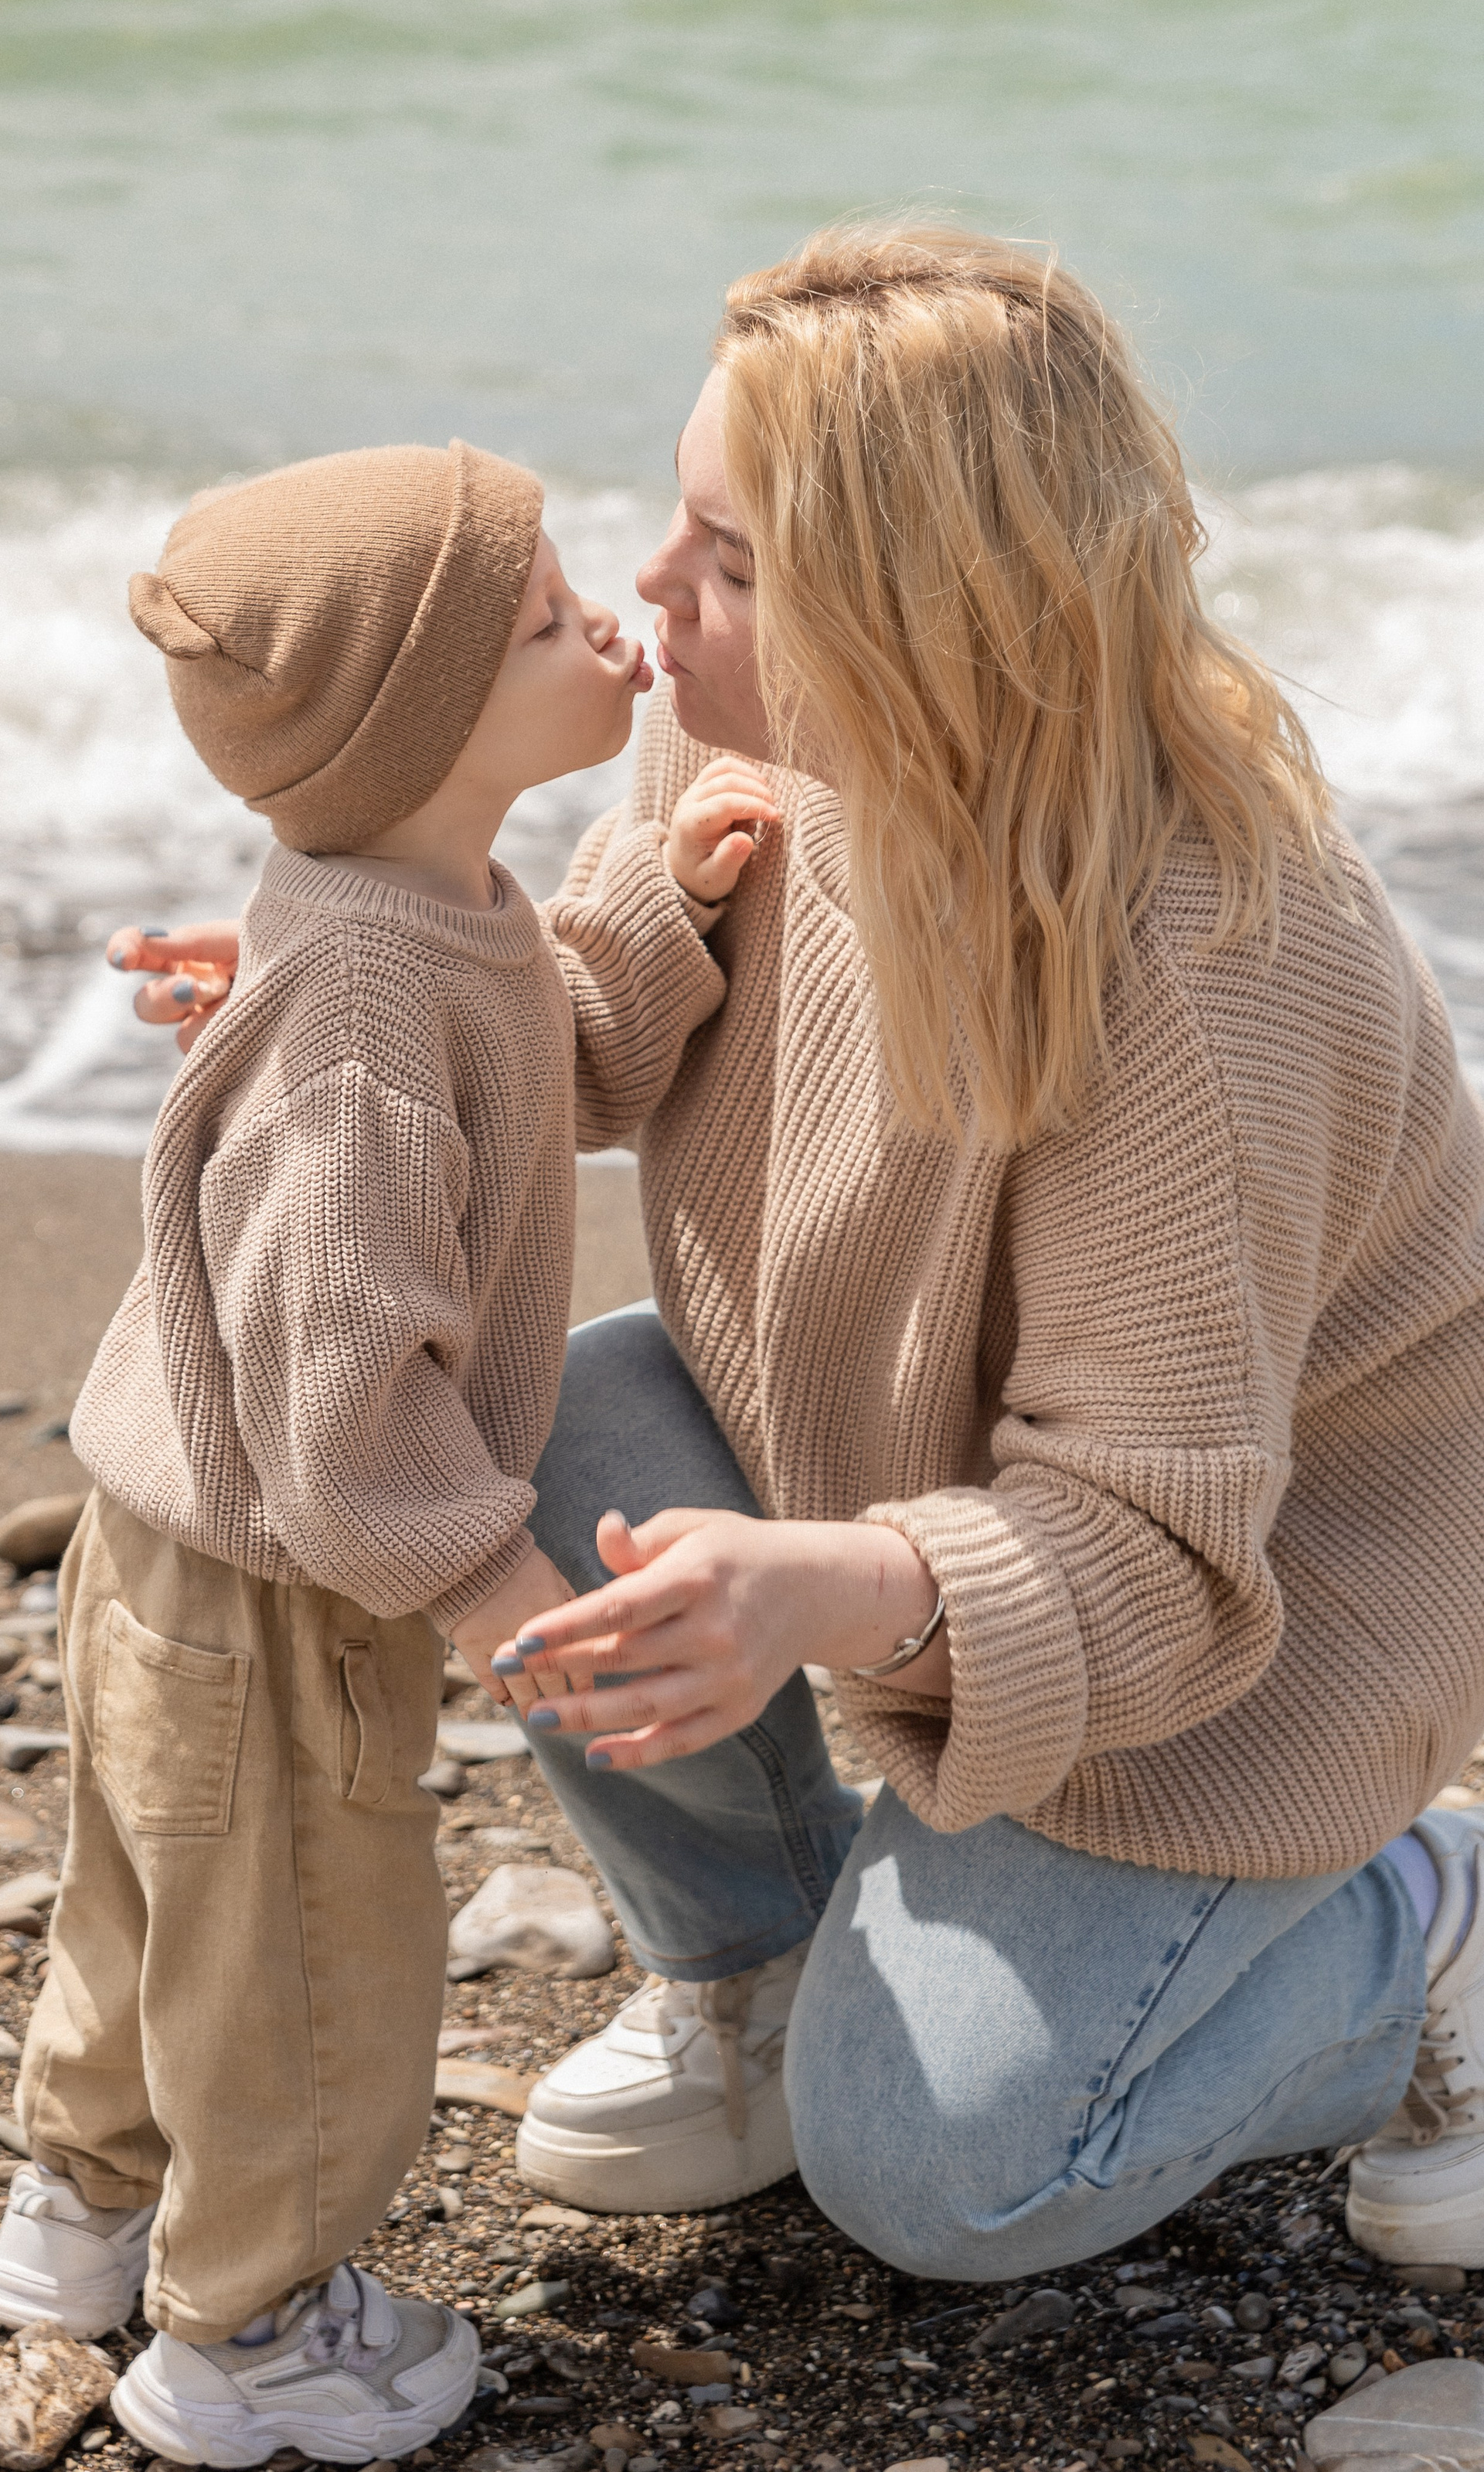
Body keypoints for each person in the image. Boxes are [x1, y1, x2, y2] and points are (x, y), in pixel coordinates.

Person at [125, 226, 1484, 2283]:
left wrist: (829, 1589)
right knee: (570, 1419)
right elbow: (589, 1009)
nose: (657, 598)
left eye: (736, 562)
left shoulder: (1200, 967)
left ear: (950, 624)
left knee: (948, 2178)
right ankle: (755, 1982)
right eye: (680, 526)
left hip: (1251, 1641)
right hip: (884, 1465)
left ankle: (1421, 1924)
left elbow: (1161, 1541)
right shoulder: (738, 731)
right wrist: (372, 979)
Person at [0, 438, 757, 2467]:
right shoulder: (367, 1011)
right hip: (280, 1579)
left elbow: (558, 1047)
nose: (607, 621)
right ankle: (249, 2333)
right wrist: (503, 1585)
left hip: (173, 1546)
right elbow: (344, 1407)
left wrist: (666, 893)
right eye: (537, 619)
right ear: (421, 729)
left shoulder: (400, 903)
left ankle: (78, 2218)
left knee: (151, 1908)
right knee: (308, 1957)